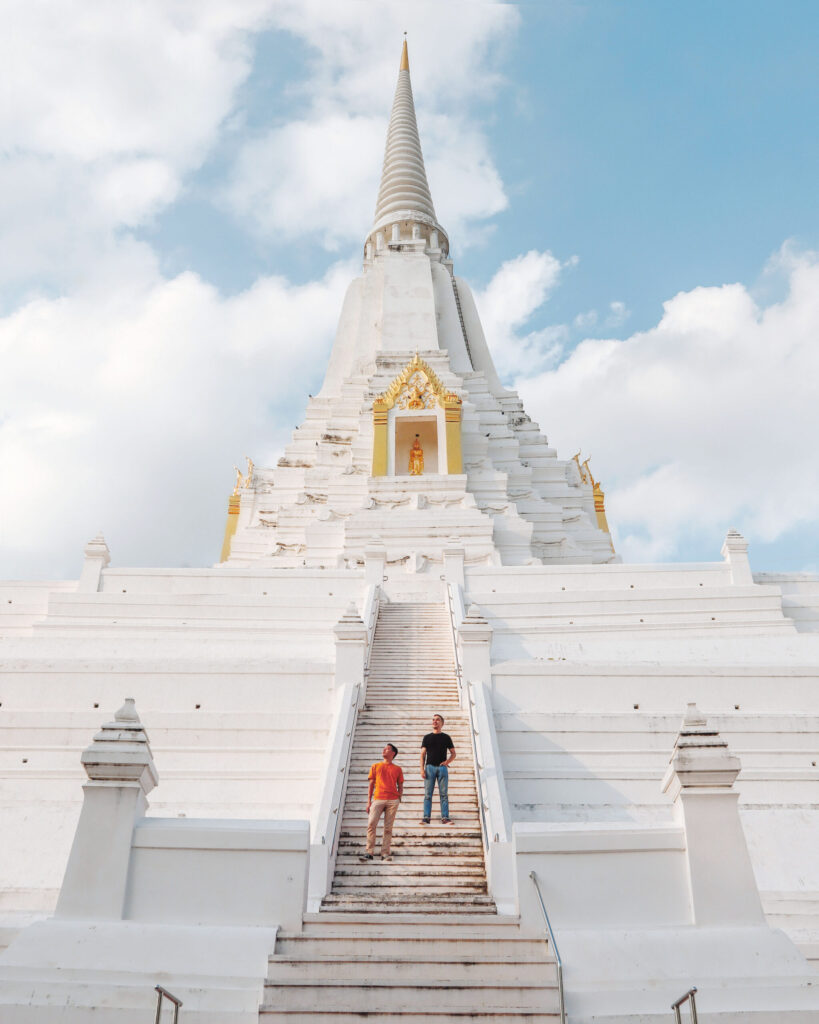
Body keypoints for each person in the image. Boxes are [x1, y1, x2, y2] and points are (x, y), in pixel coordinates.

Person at [362, 743, 404, 861]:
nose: (384, 750)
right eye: (384, 748)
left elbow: (400, 785)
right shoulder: (375, 766)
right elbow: (371, 785)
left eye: (388, 749)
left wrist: (399, 798)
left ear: (393, 753)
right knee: (371, 824)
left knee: (388, 828)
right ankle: (369, 852)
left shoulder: (397, 769)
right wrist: (368, 802)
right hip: (378, 799)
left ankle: (385, 853)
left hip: (392, 800)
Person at [419, 714, 456, 824]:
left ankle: (445, 817)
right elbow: (422, 755)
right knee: (427, 794)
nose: (435, 721)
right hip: (429, 767)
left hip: (442, 768)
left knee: (444, 794)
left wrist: (447, 762)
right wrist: (422, 769)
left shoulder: (446, 737)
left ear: (442, 723)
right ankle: (426, 817)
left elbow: (453, 753)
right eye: (433, 720)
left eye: (437, 720)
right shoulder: (427, 737)